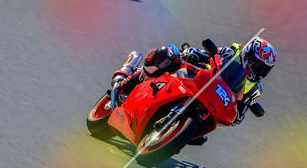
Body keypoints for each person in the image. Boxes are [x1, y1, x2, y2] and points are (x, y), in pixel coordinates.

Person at [109, 37, 277, 136]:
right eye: (257, 64)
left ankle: (175, 134)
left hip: (211, 106)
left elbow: (238, 118)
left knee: (199, 137)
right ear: (248, 55)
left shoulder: (256, 89)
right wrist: (194, 54)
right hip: (196, 80)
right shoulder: (231, 53)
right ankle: (129, 80)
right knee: (169, 54)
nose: (259, 71)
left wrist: (242, 107)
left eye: (265, 69)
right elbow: (208, 55)